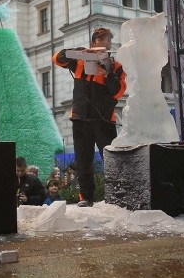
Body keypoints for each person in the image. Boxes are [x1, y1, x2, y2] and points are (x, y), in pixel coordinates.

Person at [52, 27, 127, 207]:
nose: (105, 43)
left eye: (108, 40)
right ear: (93, 43)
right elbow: (56, 59)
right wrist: (75, 53)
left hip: (104, 119)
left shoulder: (116, 66)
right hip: (80, 117)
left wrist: (108, 72)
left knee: (110, 158)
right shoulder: (79, 62)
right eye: (101, 40)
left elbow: (118, 92)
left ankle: (117, 195)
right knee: (83, 160)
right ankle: (86, 196)